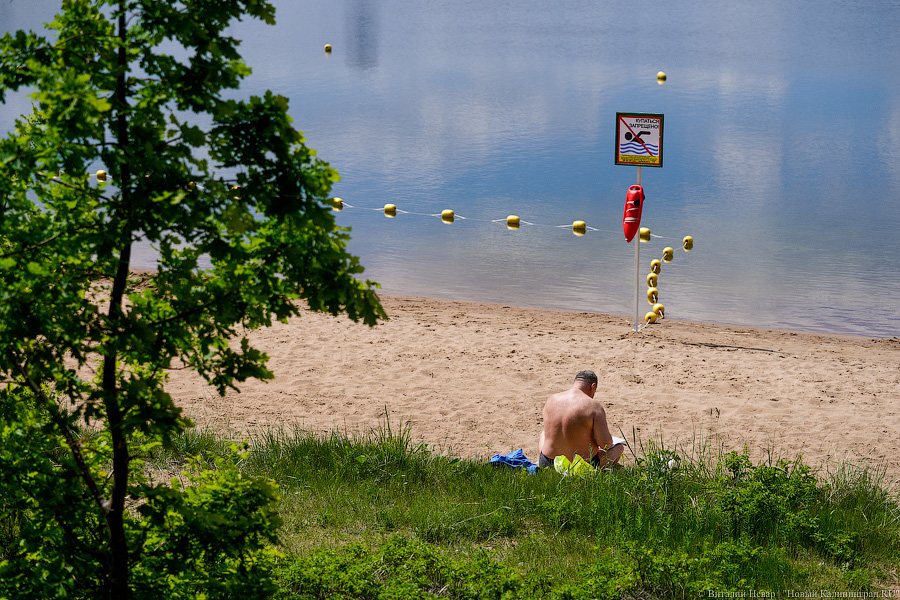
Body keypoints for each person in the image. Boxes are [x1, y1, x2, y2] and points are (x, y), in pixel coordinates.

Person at [538, 370, 625, 469]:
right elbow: (605, 444)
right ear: (592, 387)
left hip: (548, 462)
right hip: (580, 466)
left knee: (544, 433)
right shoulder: (594, 406)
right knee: (619, 448)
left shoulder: (551, 399)